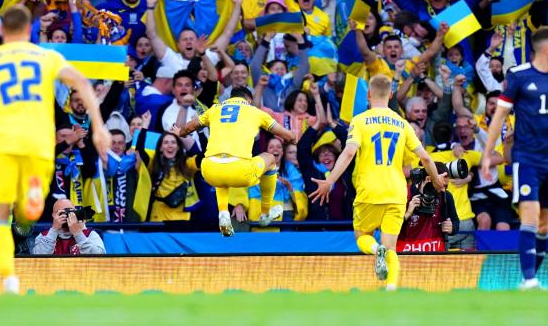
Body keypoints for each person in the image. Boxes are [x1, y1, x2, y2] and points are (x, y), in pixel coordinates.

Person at [0, 4, 110, 294]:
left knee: (0, 217)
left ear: (2, 31)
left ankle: (10, 279)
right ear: (29, 31)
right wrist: (99, 126)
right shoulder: (46, 56)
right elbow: (80, 82)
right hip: (38, 143)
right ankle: (32, 199)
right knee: (31, 211)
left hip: (3, 142)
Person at [309, 74, 446, 288]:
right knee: (391, 248)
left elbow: (348, 153)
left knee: (362, 237)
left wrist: (329, 182)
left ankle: (375, 250)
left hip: (369, 191)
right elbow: (426, 157)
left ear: (368, 95)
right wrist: (436, 180)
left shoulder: (360, 121)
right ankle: (390, 289)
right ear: (391, 95)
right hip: (396, 192)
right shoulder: (402, 124)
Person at [481, 26, 548, 289]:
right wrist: (486, 154)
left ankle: (529, 278)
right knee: (529, 215)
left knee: (544, 225)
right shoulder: (518, 76)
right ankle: (529, 280)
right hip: (526, 158)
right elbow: (499, 117)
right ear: (546, 49)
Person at [172, 86, 296, 236]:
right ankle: (265, 213)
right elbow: (288, 137)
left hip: (210, 170)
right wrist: (293, 136)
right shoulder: (254, 111)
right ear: (248, 100)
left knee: (220, 166)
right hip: (239, 170)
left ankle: (223, 213)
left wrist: (180, 132)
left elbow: (188, 128)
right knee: (269, 158)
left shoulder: (214, 109)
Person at [31, 198, 106, 255]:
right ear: (54, 216)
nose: (67, 216)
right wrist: (53, 231)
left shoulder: (90, 234)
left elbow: (99, 259)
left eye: (70, 212)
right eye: (62, 212)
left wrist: (78, 234)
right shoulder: (44, 235)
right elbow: (37, 260)